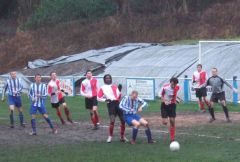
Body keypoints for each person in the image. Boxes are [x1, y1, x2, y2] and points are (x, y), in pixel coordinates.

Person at [98, 74, 128, 143]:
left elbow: (118, 96)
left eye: (109, 78)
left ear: (111, 79)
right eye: (106, 78)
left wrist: (119, 90)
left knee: (123, 120)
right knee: (112, 121)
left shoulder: (114, 86)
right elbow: (98, 97)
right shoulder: (102, 87)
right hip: (111, 104)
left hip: (118, 104)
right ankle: (110, 136)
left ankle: (122, 136)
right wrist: (105, 100)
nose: (108, 79)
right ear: (104, 79)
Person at [160, 77, 180, 142]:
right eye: (173, 84)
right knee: (165, 122)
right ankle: (165, 118)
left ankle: (172, 138)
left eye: (175, 84)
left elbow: (175, 94)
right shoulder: (165, 87)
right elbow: (160, 95)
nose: (174, 86)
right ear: (170, 83)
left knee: (172, 121)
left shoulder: (177, 87)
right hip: (164, 105)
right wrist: (164, 101)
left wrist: (177, 99)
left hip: (172, 105)